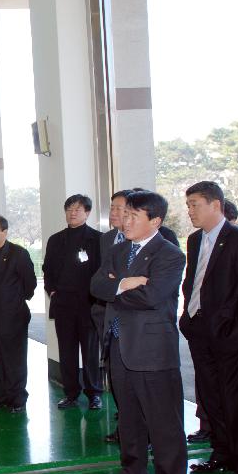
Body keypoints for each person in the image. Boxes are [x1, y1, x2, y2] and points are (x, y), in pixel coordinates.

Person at [90, 190, 187, 474]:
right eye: (125, 214)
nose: (125, 220)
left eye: (133, 216)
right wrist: (126, 283)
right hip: (118, 346)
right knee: (128, 418)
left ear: (155, 221)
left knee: (163, 424)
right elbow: (97, 286)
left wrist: (119, 289)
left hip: (152, 351)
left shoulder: (170, 255)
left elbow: (153, 296)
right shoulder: (118, 251)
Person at [179, 181, 238, 474]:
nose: (190, 211)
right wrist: (187, 317)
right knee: (211, 396)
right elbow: (192, 282)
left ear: (216, 205)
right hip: (199, 331)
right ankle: (222, 453)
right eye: (188, 205)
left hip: (228, 335)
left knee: (234, 400)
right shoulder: (194, 240)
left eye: (195, 205)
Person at [43, 194, 103, 410]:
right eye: (69, 209)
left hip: (88, 304)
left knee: (89, 352)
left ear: (87, 212)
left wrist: (97, 298)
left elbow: (102, 272)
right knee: (66, 351)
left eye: (78, 209)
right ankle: (70, 393)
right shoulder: (56, 240)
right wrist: (52, 292)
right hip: (63, 304)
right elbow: (47, 270)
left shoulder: (97, 239)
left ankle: (94, 393)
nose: (73, 213)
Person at [0, 214, 37, 413]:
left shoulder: (18, 253)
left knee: (15, 358)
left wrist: (15, 300)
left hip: (14, 315)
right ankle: (1, 396)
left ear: (4, 232)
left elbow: (30, 284)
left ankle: (18, 398)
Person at [92, 190, 132, 443]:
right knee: (115, 375)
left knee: (136, 382)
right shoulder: (107, 239)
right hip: (108, 316)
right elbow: (99, 281)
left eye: (120, 209)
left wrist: (115, 283)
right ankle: (125, 425)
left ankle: (138, 430)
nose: (114, 213)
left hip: (135, 322)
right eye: (112, 208)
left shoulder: (156, 240)